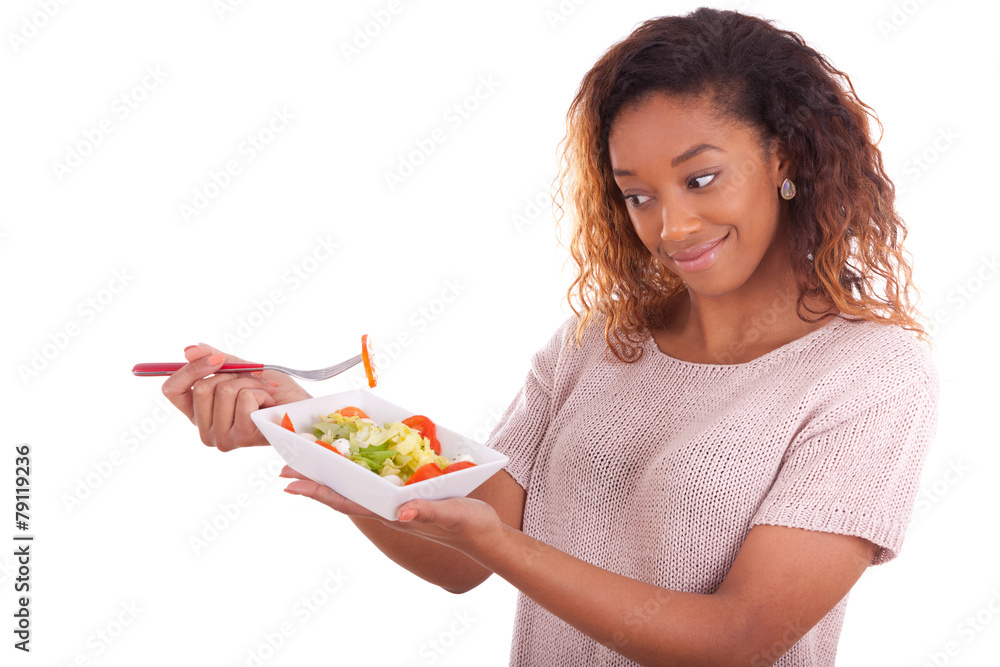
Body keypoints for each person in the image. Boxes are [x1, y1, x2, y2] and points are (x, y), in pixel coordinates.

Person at [161, 8, 939, 665]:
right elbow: (460, 547)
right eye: (636, 195)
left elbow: (737, 638)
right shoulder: (597, 343)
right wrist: (309, 425)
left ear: (786, 157)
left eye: (700, 178)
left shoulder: (870, 373)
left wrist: (499, 544)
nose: (671, 226)